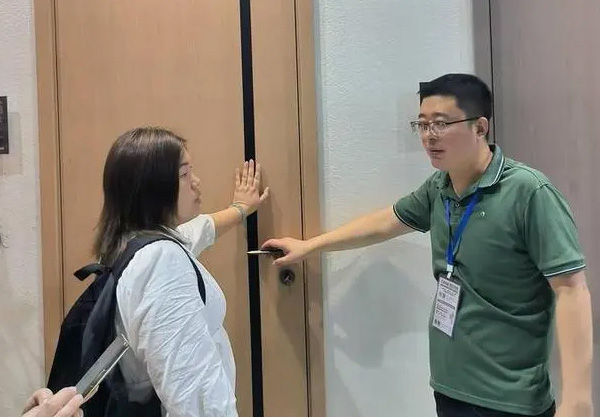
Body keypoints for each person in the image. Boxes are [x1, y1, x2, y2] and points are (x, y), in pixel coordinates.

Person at [262, 74, 593, 417]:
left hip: (510, 398)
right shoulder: (440, 187)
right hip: (450, 388)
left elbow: (571, 290)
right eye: (422, 124)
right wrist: (310, 246)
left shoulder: (529, 192)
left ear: (480, 127)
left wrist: (578, 399)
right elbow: (387, 221)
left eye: (441, 123)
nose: (429, 136)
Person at [94, 127, 269, 416]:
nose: (196, 182)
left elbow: (201, 230)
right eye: (185, 174)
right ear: (154, 188)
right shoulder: (160, 263)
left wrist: (240, 208)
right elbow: (193, 396)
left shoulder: (132, 246)